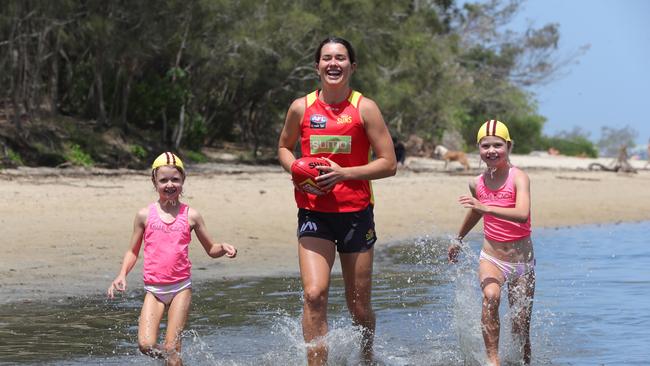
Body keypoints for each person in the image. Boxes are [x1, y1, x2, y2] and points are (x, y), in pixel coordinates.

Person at [278, 36, 397, 365]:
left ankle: (366, 357)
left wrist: (345, 174)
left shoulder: (365, 108)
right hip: (314, 212)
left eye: (341, 58)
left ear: (352, 67)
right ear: (317, 66)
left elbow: (389, 163)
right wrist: (297, 170)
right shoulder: (301, 107)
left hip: (356, 214)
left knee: (358, 306)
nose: (334, 63)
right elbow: (284, 148)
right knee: (314, 295)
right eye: (327, 58)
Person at [107, 152, 237, 366]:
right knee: (146, 345)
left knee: (172, 347)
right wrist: (122, 274)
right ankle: (174, 359)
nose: (169, 184)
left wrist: (222, 247)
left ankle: (173, 357)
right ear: (154, 181)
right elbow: (133, 251)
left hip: (180, 288)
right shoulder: (144, 215)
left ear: (183, 180)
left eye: (175, 179)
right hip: (154, 290)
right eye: (164, 180)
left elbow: (211, 249)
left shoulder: (191, 215)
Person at [448, 120, 536, 366]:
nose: (492, 150)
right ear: (478, 148)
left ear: (508, 145)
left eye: (498, 145)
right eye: (485, 146)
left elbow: (522, 214)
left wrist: (486, 207)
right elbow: (476, 212)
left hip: (521, 262)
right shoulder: (476, 182)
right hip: (492, 258)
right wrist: (458, 239)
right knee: (490, 296)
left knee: (521, 328)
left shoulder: (519, 177)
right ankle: (493, 361)